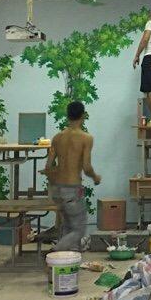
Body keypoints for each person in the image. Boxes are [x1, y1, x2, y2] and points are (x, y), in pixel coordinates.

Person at [46, 101, 100, 252]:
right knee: (79, 230)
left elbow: (48, 167)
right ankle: (55, 252)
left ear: (67, 116)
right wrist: (95, 177)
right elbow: (86, 167)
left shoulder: (57, 138)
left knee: (67, 226)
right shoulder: (86, 138)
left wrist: (54, 184)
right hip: (72, 189)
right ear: (83, 115)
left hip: (57, 189)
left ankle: (67, 260)